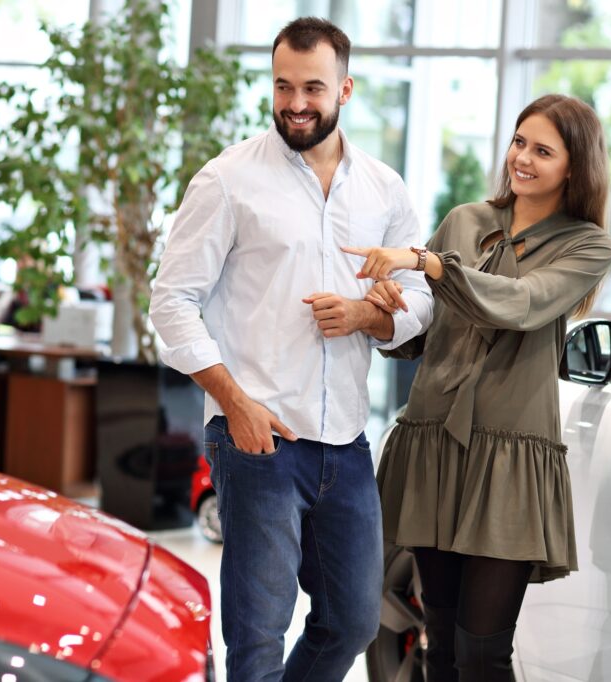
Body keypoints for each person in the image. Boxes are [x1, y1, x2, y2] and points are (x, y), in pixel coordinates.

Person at [149, 17, 434, 682]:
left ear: (346, 89)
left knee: (355, 620)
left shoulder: (383, 190)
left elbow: (420, 301)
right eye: (283, 86)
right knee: (257, 638)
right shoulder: (227, 180)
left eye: (312, 87)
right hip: (260, 435)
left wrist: (370, 313)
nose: (295, 103)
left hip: (345, 439)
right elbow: (172, 300)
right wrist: (234, 404)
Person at [343, 93, 611, 681]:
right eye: (520, 142)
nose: (523, 159)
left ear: (575, 167)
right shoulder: (465, 221)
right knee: (437, 642)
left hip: (507, 458)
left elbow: (520, 305)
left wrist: (429, 265)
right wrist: (389, 309)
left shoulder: (586, 245)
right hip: (435, 445)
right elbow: (423, 333)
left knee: (483, 652)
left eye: (543, 151)